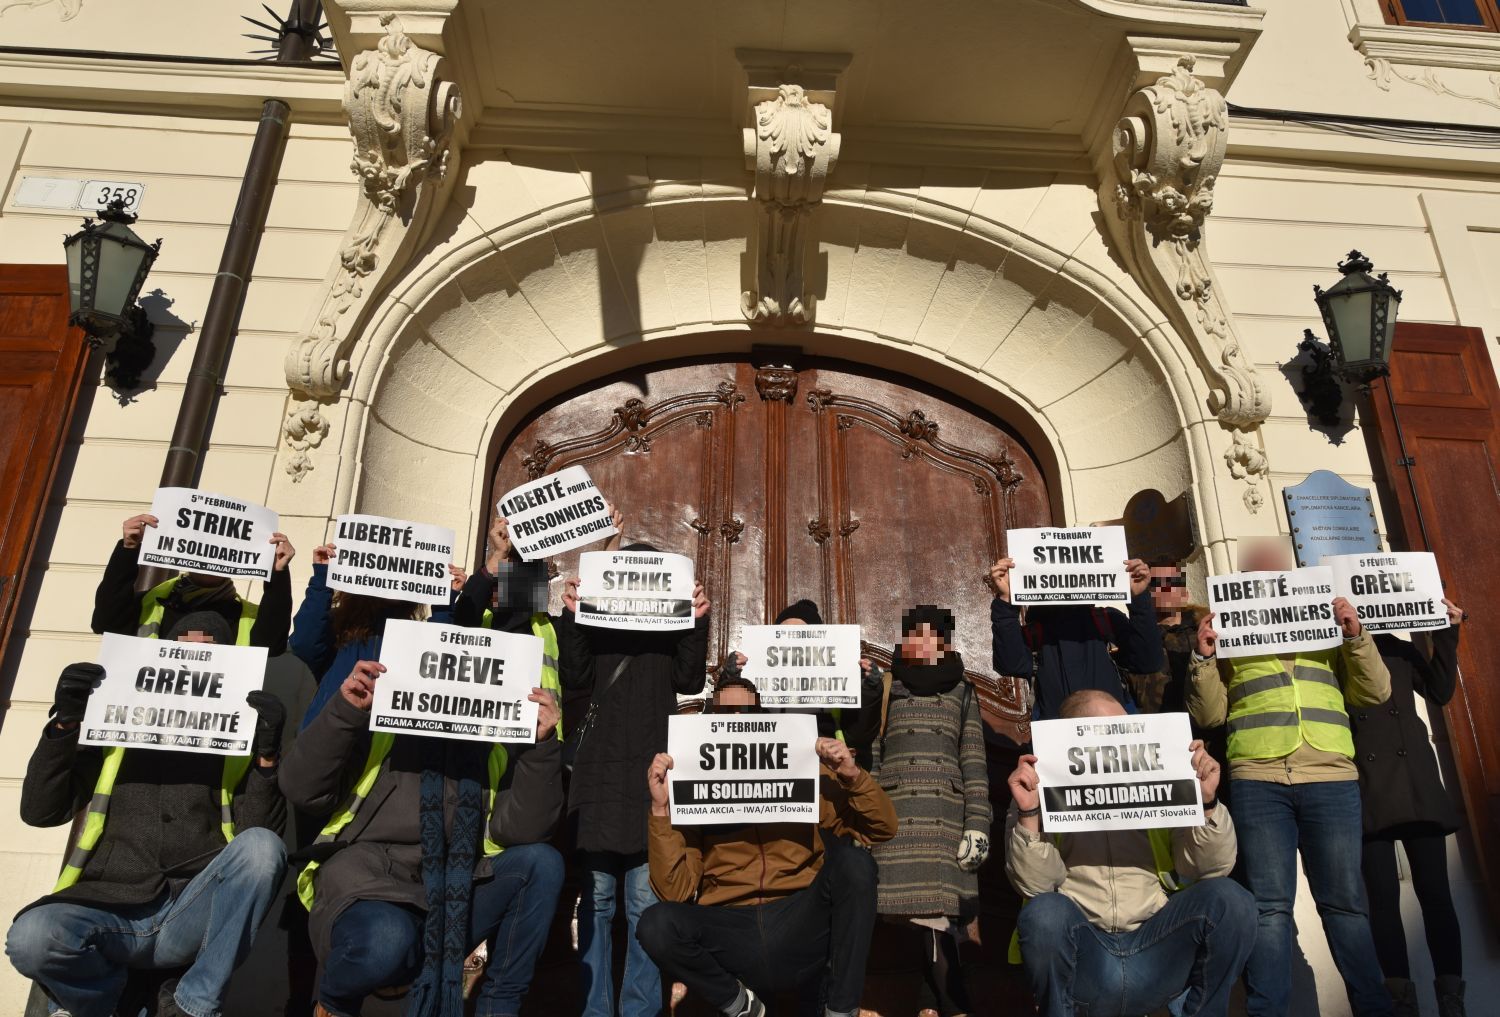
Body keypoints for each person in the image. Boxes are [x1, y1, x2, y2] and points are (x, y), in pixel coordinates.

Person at [6, 612, 288, 1017]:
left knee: (262, 846)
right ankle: (106, 1002)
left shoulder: (236, 739)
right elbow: (39, 812)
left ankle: (194, 1005)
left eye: (209, 659)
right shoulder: (113, 724)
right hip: (109, 905)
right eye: (181, 654)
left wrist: (266, 758)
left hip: (191, 910)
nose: (191, 669)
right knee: (31, 938)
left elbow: (260, 847)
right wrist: (65, 724)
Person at [280, 658, 566, 1017]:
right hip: (368, 883)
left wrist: (540, 748)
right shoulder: (380, 716)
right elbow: (301, 789)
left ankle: (497, 1010)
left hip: (454, 890)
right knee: (387, 938)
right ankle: (333, 1006)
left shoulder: (494, 736)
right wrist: (345, 712)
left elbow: (525, 831)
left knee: (542, 862)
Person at [1188, 539, 1394, 1017]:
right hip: (1259, 778)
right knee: (1269, 908)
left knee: (1345, 905)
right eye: (1256, 571)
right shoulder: (1233, 628)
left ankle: (1375, 1008)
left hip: (1330, 775)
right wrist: (1202, 659)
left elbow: (1376, 691)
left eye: (1275, 569)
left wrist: (1355, 635)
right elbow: (1211, 714)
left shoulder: (1326, 622)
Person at [636, 674, 897, 1017]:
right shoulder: (692, 780)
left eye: (746, 710)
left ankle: (841, 1009)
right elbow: (675, 891)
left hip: (798, 917)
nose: (737, 719)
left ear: (763, 716)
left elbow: (882, 828)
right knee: (655, 923)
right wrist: (661, 810)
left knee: (856, 864)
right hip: (731, 926)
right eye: (724, 713)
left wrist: (852, 775)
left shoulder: (805, 768)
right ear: (710, 720)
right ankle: (739, 1004)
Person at [1005, 688, 1255, 1017]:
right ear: (1070, 738)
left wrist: (1206, 802)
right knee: (1044, 913)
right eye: (1112, 732)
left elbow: (1213, 866)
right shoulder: (1035, 788)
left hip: (1156, 945)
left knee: (1231, 899)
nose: (1123, 739)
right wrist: (1029, 816)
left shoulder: (1164, 774)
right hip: (1087, 954)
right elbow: (1034, 886)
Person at [557, 537, 712, 1017]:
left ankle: (641, 1009)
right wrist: (575, 616)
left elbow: (689, 679)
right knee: (599, 900)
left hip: (651, 775)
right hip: (602, 774)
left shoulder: (670, 630)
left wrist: (696, 621)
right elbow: (576, 675)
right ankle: (595, 1009)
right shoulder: (597, 623)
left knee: (644, 903)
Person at [870, 606, 990, 1017]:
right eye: (915, 635)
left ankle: (931, 1005)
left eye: (932, 637)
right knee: (933, 920)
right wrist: (866, 817)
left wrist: (978, 824)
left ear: (946, 644)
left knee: (938, 918)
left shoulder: (964, 691)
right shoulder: (886, 686)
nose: (923, 644)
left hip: (946, 818)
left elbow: (972, 761)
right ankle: (954, 1006)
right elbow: (871, 755)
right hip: (898, 816)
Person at [1355, 598, 1468, 1017]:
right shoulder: (1335, 656)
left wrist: (1446, 631)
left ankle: (1451, 999)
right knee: (1381, 898)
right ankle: (1400, 1001)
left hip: (1416, 780)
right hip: (1367, 785)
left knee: (1436, 893)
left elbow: (1440, 690)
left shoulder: (1400, 647)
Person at [291, 541, 467, 726]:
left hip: (383, 746)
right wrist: (322, 579)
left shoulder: (410, 635)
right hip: (327, 737)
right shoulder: (340, 627)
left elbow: (435, 665)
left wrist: (445, 602)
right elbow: (304, 644)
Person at [92, 511, 296, 653]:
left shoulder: (247, 617)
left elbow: (273, 643)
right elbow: (105, 622)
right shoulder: (152, 603)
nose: (209, 557)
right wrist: (128, 548)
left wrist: (278, 572)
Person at [989, 554, 1164, 720]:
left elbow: (1147, 662)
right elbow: (1010, 665)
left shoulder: (1106, 620)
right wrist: (1006, 600)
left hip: (1116, 734)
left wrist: (1139, 598)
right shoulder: (1036, 631)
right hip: (1058, 738)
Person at [715, 598, 886, 755]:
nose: (792, 644)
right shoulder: (755, 681)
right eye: (784, 635)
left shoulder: (842, 680)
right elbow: (727, 728)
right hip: (769, 763)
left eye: (801, 635)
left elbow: (860, 737)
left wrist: (870, 690)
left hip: (824, 769)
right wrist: (731, 679)